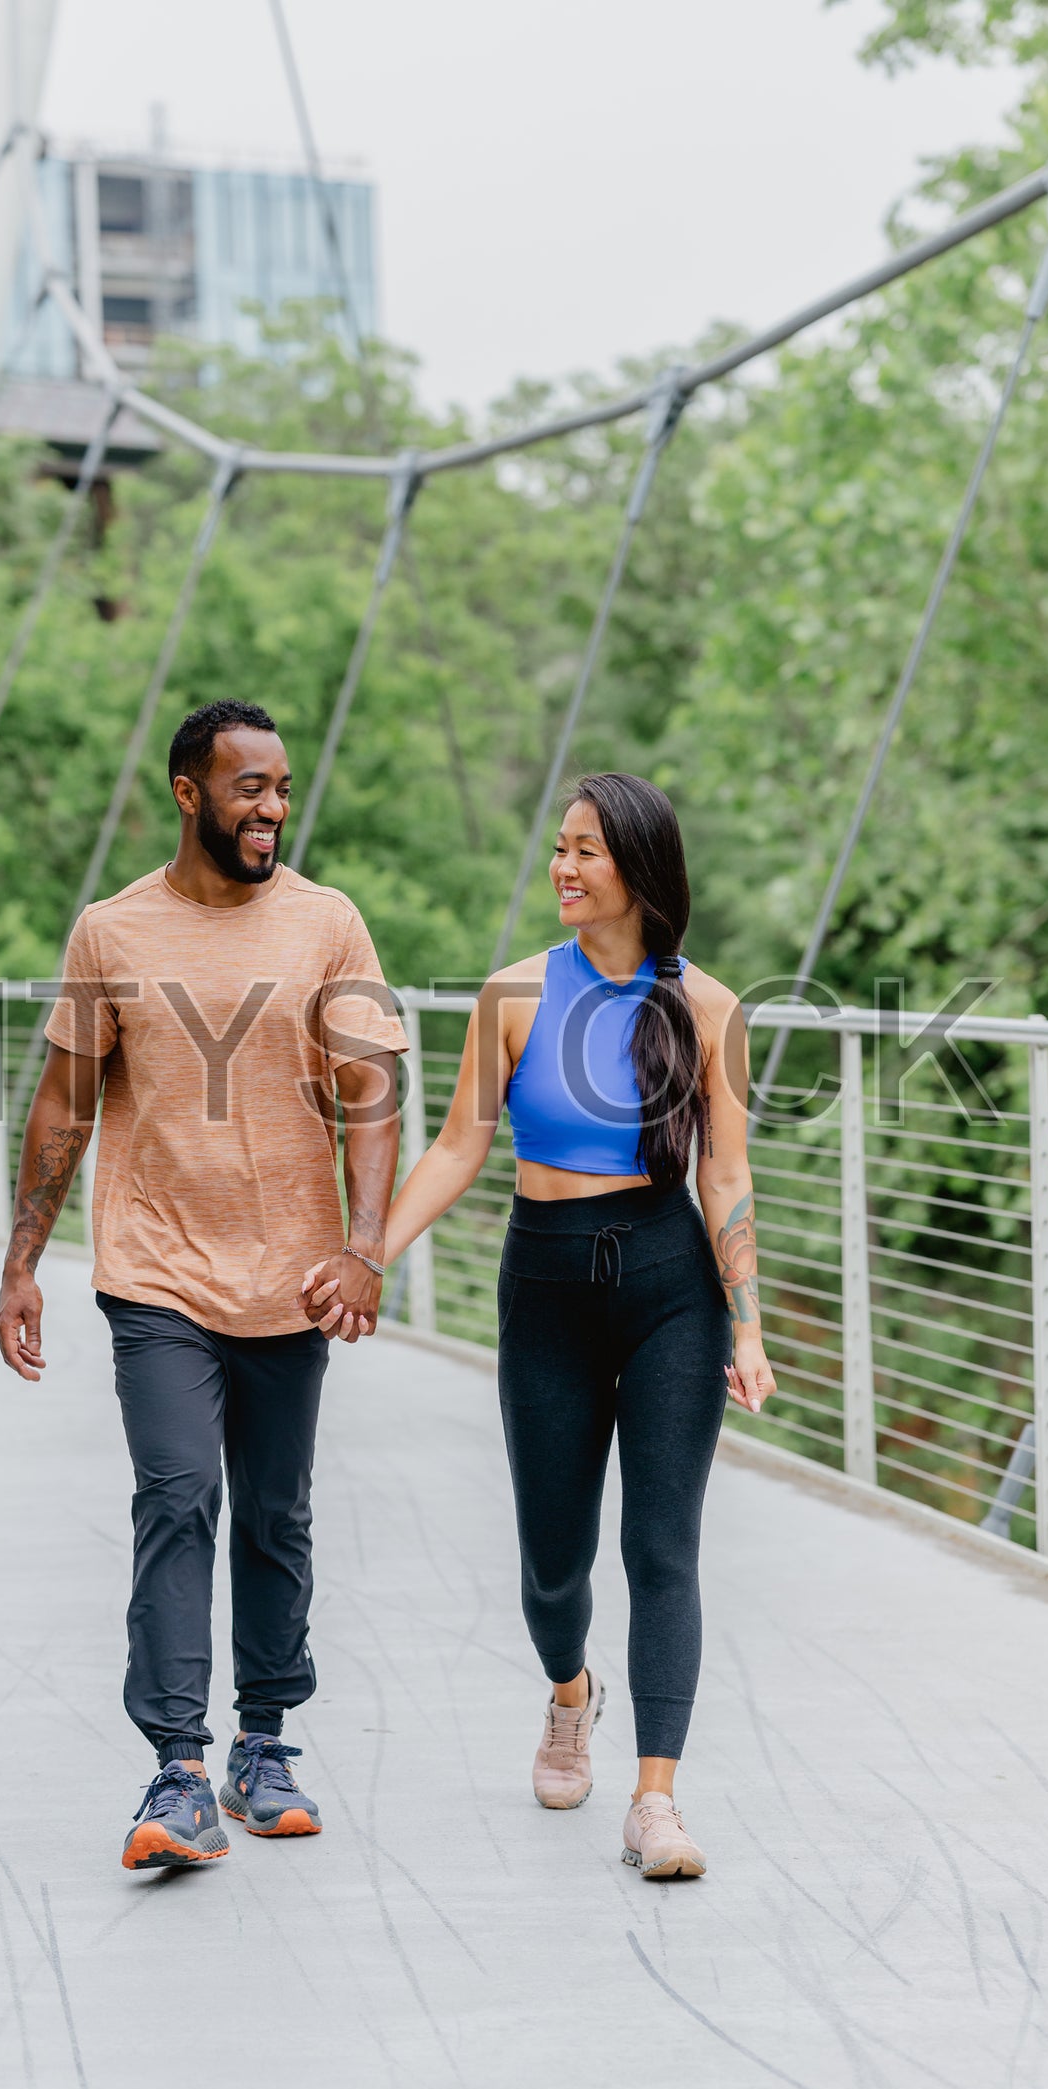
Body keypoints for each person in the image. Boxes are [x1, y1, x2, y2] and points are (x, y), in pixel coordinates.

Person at [302, 772, 775, 1878]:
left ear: (637, 872)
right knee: (552, 1563)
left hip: (670, 1286)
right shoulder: (513, 995)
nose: (561, 869)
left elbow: (727, 1175)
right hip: (548, 1284)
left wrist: (743, 1325)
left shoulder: (708, 1008)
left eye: (584, 852)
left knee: (661, 1546)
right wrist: (366, 1252)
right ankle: (570, 1691)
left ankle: (656, 1801)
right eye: (557, 849)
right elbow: (461, 1148)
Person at [0, 698, 407, 1872]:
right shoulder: (111, 931)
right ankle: (176, 1768)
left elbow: (372, 1091)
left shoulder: (329, 924)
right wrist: (22, 1260)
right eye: (248, 788)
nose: (272, 806)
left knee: (275, 1515)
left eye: (280, 786)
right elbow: (66, 1102)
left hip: (291, 1278)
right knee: (177, 1497)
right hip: (154, 1272)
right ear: (189, 794)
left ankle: (261, 1741)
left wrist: (364, 1247)